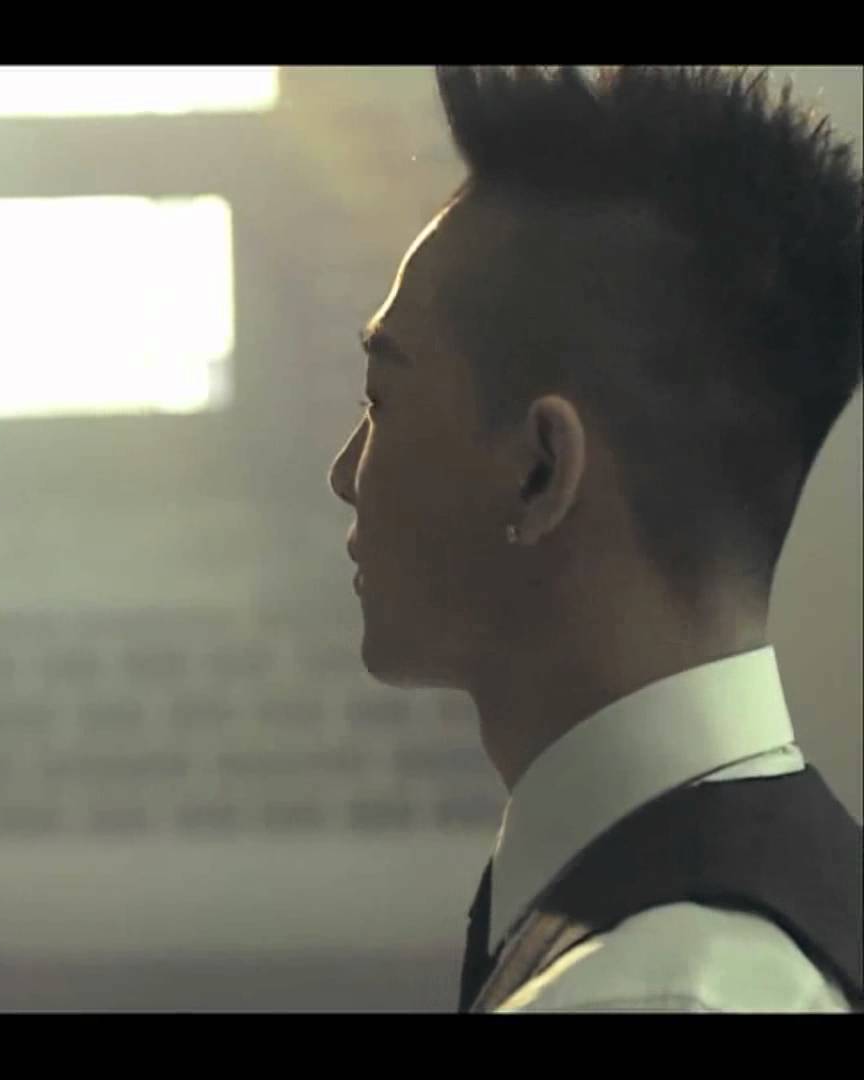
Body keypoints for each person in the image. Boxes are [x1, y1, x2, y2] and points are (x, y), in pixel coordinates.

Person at [329, 65, 863, 1013]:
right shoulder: (800, 901)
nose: (344, 472)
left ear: (541, 471)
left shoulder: (651, 993)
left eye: (383, 399)